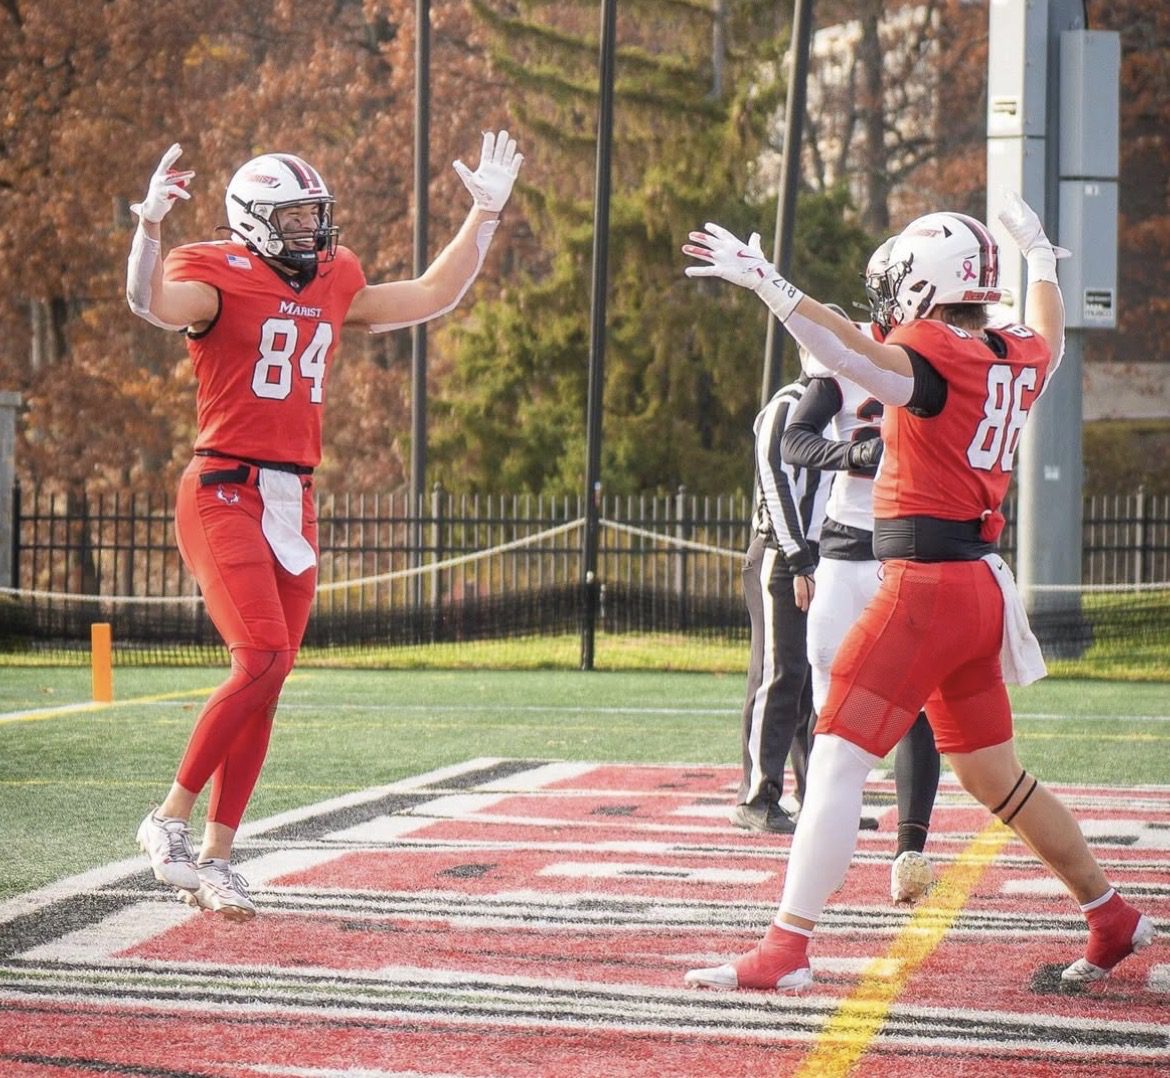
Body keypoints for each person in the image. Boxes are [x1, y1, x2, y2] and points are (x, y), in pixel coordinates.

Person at [679, 194, 1155, 990]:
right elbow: (1052, 330)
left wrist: (773, 289)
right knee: (993, 776)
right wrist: (1038, 254)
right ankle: (1112, 916)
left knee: (832, 758)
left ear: (927, 284)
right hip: (978, 587)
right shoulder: (1013, 353)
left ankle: (787, 949)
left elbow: (852, 356)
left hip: (924, 588)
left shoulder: (936, 354)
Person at [126, 131, 523, 920]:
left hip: (291, 497)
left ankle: (218, 857)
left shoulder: (336, 277)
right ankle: (167, 819)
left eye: (315, 216)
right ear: (254, 221)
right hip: (222, 487)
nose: (314, 231)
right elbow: (149, 303)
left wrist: (483, 216)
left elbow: (430, 296)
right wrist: (148, 231)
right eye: (297, 217)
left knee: (269, 684)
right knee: (262, 655)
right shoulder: (213, 272)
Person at [781, 278, 941, 905]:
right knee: (831, 700)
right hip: (850, 546)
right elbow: (796, 438)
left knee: (919, 700)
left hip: (913, 543)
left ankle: (910, 848)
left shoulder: (939, 360)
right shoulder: (843, 364)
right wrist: (851, 454)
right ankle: (827, 828)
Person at [731, 373, 831, 834]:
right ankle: (756, 797)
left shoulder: (840, 408)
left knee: (812, 681)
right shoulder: (786, 407)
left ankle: (815, 796)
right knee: (778, 673)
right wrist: (797, 557)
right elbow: (775, 479)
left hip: (820, 557)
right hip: (781, 555)